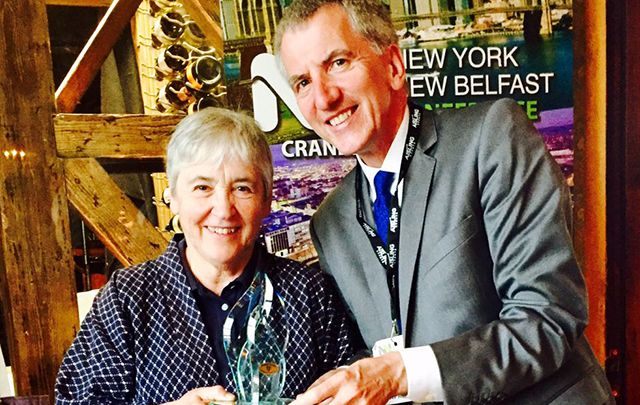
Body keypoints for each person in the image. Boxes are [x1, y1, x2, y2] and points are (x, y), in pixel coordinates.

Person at [274, 1, 614, 404]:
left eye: (338, 63)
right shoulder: (330, 222)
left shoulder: (492, 136)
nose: (324, 97)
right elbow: (378, 351)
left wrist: (401, 373)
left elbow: (547, 316)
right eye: (302, 83)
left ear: (394, 66)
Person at [55, 108, 356, 404]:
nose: (224, 210)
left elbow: (356, 386)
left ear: (266, 201)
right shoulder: (127, 299)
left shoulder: (309, 292)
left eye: (242, 188)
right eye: (202, 187)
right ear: (172, 197)